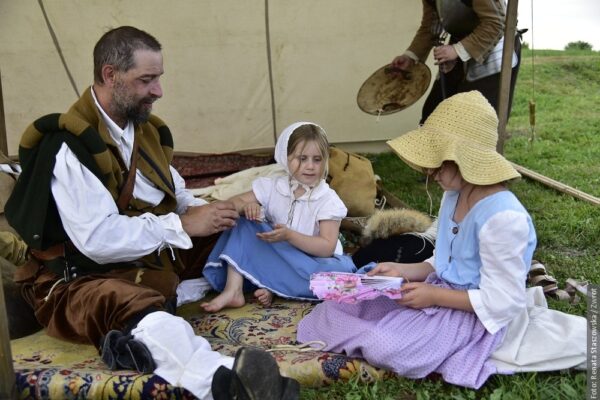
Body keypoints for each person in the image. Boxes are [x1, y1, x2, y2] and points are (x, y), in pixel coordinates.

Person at [4, 26, 299, 400]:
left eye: (158, 78)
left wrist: (212, 210)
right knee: (131, 303)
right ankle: (223, 380)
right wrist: (181, 224)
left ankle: (314, 276)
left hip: (145, 257)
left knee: (241, 230)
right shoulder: (69, 148)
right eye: (146, 80)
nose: (158, 91)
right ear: (110, 75)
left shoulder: (145, 133)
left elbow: (175, 196)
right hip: (78, 279)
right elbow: (96, 241)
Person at [297, 91, 586, 388]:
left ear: (465, 159)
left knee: (383, 343)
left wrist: (434, 297)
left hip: (471, 314)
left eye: (436, 163)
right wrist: (402, 271)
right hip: (439, 292)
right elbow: (446, 259)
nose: (428, 172)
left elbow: (503, 302)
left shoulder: (503, 219)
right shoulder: (454, 195)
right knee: (339, 306)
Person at [201, 122, 356, 312]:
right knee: (244, 222)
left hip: (310, 263)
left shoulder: (327, 199)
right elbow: (234, 203)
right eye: (302, 158)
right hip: (277, 257)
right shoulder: (273, 187)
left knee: (340, 276)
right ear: (286, 157)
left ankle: (272, 285)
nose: (310, 166)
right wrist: (247, 206)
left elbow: (326, 247)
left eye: (317, 159)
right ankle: (234, 289)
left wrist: (290, 235)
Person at [391, 0, 522, 124]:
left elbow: (496, 22)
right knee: (433, 114)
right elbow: (431, 25)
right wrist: (411, 56)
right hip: (458, 46)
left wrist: (458, 50)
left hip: (494, 50)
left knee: (476, 124)